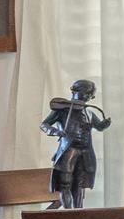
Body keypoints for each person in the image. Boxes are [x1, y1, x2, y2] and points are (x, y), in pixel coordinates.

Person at [41, 78, 112, 209]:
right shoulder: (62, 109)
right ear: (75, 91)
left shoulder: (89, 112)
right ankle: (69, 213)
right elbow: (44, 124)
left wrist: (104, 124)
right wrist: (55, 131)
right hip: (69, 150)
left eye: (91, 95)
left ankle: (78, 213)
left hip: (85, 151)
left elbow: (99, 127)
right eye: (87, 93)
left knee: (79, 184)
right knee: (65, 184)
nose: (89, 97)